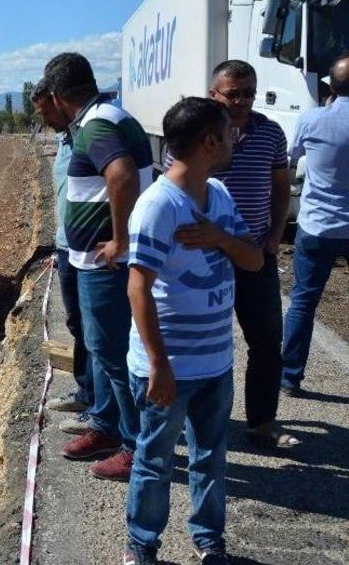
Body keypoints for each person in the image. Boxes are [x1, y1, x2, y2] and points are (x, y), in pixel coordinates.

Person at [124, 97, 263, 565]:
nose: (234, 138)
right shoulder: (158, 206)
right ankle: (141, 546)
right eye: (228, 131)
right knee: (155, 460)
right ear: (208, 142)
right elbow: (137, 289)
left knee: (210, 457)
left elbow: (255, 259)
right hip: (169, 370)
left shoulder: (218, 195)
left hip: (215, 363)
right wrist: (159, 367)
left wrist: (220, 238)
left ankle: (208, 539)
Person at [165, 60, 293, 447]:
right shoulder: (200, 137)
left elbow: (281, 186)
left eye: (249, 92)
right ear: (214, 95)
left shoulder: (271, 134)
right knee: (196, 342)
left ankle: (261, 421)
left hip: (253, 254)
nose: (242, 100)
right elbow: (177, 185)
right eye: (233, 93)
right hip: (204, 256)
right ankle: (189, 419)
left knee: (267, 340)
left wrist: (274, 235)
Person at [46, 53, 153, 481]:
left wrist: (120, 241)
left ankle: (133, 446)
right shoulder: (105, 115)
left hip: (104, 265)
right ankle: (107, 426)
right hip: (94, 261)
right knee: (103, 351)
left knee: (112, 354)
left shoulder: (97, 125)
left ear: (57, 95)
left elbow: (123, 175)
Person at [281, 54, 349, 395]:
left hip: (318, 225)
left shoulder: (312, 119)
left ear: (331, 86)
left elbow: (292, 157)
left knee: (304, 303)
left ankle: (290, 376)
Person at [30, 79, 94, 416]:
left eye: (46, 113)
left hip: (89, 251)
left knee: (93, 329)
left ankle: (101, 407)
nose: (45, 121)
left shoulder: (90, 137)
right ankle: (86, 391)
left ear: (58, 101)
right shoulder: (64, 140)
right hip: (67, 247)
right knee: (76, 323)